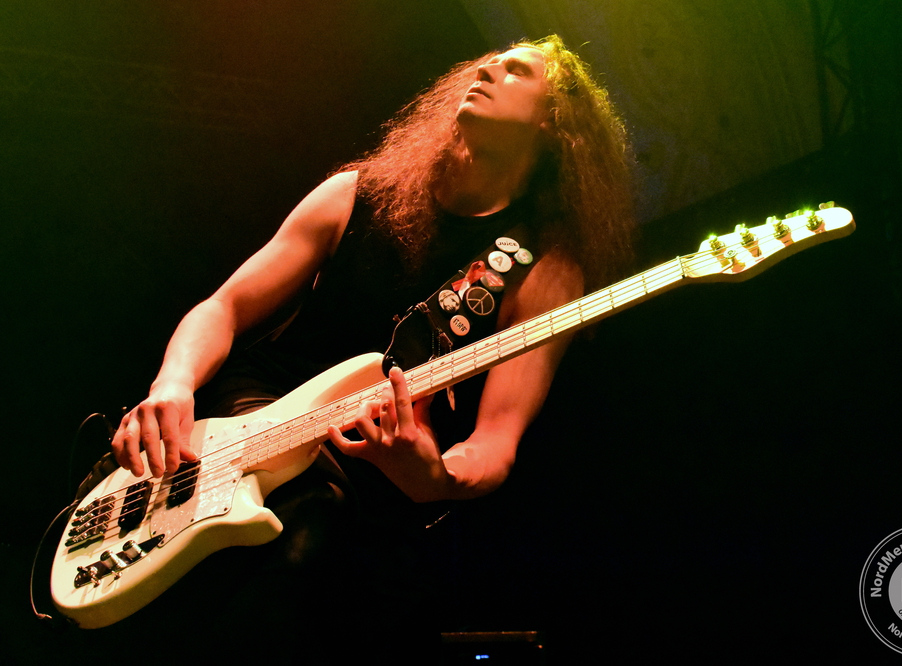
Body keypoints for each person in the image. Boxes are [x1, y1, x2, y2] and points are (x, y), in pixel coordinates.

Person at [105, 35, 635, 656]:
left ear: (554, 122)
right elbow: (224, 307)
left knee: (327, 553)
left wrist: (435, 474)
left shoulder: (545, 269)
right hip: (250, 409)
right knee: (302, 521)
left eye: (515, 70)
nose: (487, 71)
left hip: (369, 472)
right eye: (486, 63)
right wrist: (172, 385)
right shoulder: (355, 193)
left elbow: (495, 441)